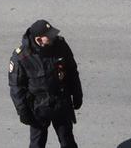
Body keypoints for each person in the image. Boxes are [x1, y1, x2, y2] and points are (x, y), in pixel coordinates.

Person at [8, 19, 82, 148]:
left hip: (61, 103)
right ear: (39, 39)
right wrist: (23, 112)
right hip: (38, 108)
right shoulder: (21, 57)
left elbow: (72, 71)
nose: (53, 37)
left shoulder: (60, 45)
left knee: (68, 141)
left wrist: (77, 94)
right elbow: (16, 87)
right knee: (37, 144)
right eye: (49, 36)